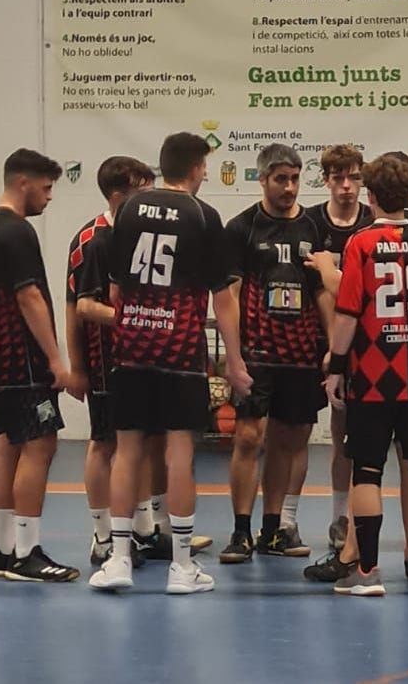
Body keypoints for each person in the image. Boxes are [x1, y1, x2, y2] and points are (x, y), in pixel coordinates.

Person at [89, 132, 250, 594]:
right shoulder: (202, 215)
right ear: (197, 168)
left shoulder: (128, 210)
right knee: (180, 452)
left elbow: (115, 290)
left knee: (127, 450)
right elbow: (223, 299)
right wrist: (234, 361)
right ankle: (181, 567)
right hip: (179, 350)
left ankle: (119, 558)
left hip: (131, 347)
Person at [324, 154, 408, 596]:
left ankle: (367, 572)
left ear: (371, 195)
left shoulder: (360, 243)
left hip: (372, 373)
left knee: (367, 471)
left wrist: (337, 367)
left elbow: (348, 313)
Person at [219, 144, 334, 563]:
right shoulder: (242, 227)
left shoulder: (313, 226)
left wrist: (333, 348)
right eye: (280, 179)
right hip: (258, 353)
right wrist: (233, 356)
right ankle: (240, 531)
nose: (289, 187)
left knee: (289, 441)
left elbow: (322, 292)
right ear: (263, 179)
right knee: (249, 438)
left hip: (301, 355)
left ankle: (272, 530)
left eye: (295, 179)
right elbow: (229, 295)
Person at [0, 149, 79, 582]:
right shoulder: (16, 230)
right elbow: (29, 295)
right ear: (23, 183)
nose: (49, 197)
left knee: (5, 445)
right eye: (46, 188)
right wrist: (55, 358)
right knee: (40, 444)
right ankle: (26, 553)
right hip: (22, 359)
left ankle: (1, 551)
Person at [66, 156, 153, 567]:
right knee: (104, 442)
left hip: (142, 357)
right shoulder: (94, 240)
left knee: (141, 440)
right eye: (142, 191)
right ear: (119, 196)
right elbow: (80, 307)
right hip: (105, 359)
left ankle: (143, 529)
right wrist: (76, 367)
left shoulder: (142, 234)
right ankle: (103, 536)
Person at [303, 144, 371, 550]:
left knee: (366, 438)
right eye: (338, 178)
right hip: (328, 341)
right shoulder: (312, 223)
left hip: (374, 345)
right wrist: (335, 349)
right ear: (326, 180)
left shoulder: (372, 221)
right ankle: (339, 516)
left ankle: (364, 519)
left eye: (354, 177)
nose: (346, 186)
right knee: (338, 432)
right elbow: (323, 291)